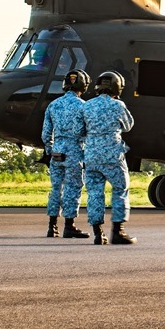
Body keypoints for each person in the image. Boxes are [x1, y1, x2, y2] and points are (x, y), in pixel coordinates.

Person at [84, 70, 136, 245]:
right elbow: (128, 126)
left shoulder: (86, 106)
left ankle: (98, 234)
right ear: (117, 87)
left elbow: (79, 130)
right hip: (113, 155)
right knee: (120, 190)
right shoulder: (118, 106)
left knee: (94, 194)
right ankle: (118, 232)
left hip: (91, 155)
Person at [41, 69, 91, 239]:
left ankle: (51, 226)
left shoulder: (53, 105)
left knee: (56, 188)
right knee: (73, 187)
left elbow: (46, 134)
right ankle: (69, 226)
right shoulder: (83, 107)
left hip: (56, 153)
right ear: (82, 85)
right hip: (74, 152)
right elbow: (85, 131)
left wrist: (49, 150)